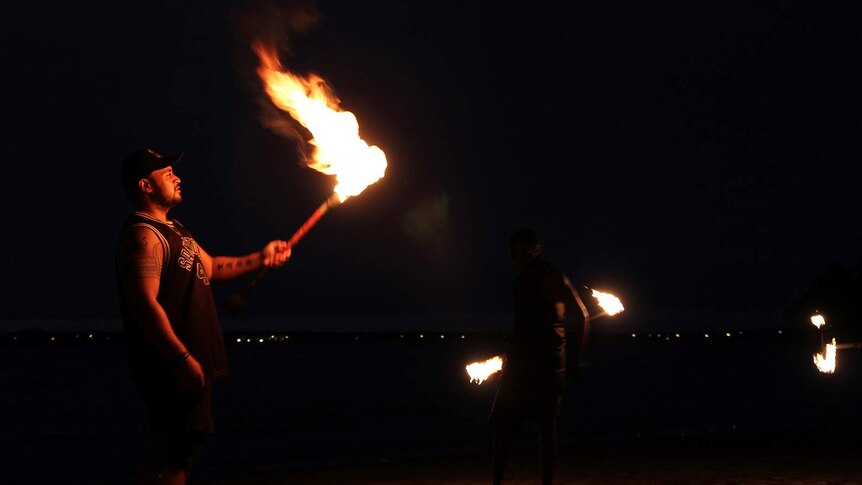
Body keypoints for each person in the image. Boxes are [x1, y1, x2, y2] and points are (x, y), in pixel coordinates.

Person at [115, 148, 291, 485]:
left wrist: (262, 257)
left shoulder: (175, 230)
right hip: (170, 365)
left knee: (183, 452)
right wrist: (181, 358)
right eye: (167, 174)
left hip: (189, 361)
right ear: (145, 186)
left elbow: (211, 267)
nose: (178, 177)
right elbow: (143, 303)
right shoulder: (144, 236)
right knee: (174, 456)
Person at [489, 227, 590, 485]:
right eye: (513, 249)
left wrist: (576, 359)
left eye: (521, 249)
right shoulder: (541, 278)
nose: (515, 255)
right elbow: (581, 317)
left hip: (538, 366)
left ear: (536, 249)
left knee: (529, 429)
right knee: (526, 428)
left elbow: (582, 316)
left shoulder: (539, 279)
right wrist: (575, 359)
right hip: (539, 363)